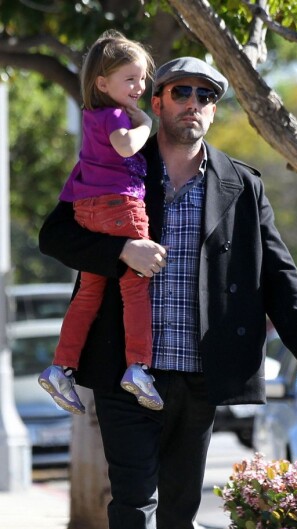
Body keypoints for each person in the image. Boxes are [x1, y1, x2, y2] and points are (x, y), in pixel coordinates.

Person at [39, 55, 297, 529]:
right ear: (158, 101)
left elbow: (277, 270)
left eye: (205, 94)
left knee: (181, 510)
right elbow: (54, 235)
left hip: (200, 373)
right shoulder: (116, 165)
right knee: (134, 500)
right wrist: (121, 250)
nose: (192, 102)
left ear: (213, 108)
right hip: (124, 370)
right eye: (179, 91)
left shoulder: (240, 184)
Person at [37, 31, 164, 414]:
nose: (139, 87)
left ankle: (62, 366)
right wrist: (145, 124)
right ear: (102, 83)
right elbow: (127, 146)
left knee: (88, 293)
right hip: (120, 207)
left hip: (89, 210)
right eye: (130, 79)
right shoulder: (114, 116)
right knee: (136, 286)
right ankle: (138, 366)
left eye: (142, 78)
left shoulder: (92, 118)